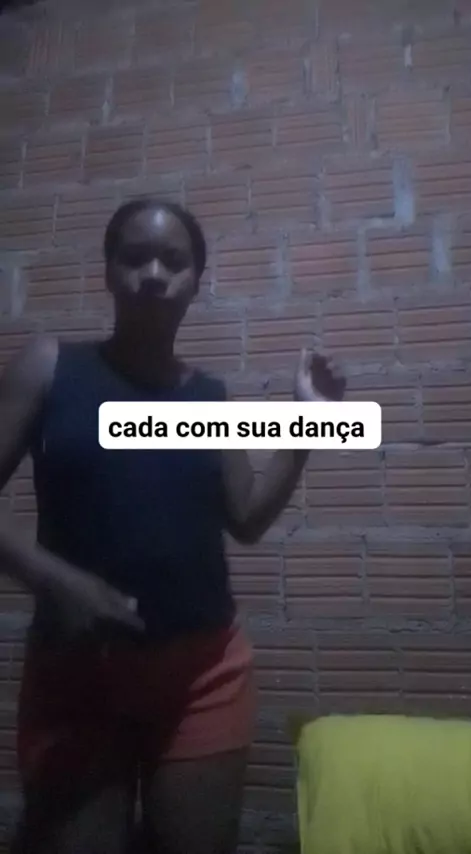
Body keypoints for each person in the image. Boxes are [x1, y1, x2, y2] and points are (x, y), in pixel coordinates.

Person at [0, 198, 346, 854]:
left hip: (203, 675)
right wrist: (56, 581)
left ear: (194, 281)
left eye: (173, 261)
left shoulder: (207, 399)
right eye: (134, 258)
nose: (154, 274)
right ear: (108, 271)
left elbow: (247, 518)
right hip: (77, 671)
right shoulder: (50, 367)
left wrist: (308, 422)